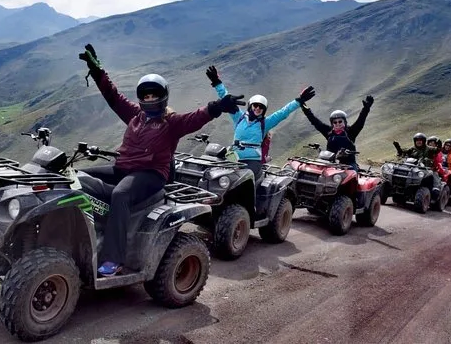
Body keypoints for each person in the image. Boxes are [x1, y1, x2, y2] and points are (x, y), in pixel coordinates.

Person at [79, 45, 244, 277]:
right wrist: (98, 72)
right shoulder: (134, 115)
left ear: (162, 97)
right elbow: (113, 96)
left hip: (151, 174)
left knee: (120, 194)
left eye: (153, 95)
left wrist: (218, 106)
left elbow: (195, 118)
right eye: (146, 96)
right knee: (77, 177)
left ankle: (113, 259)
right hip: (123, 168)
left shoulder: (171, 122)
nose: (149, 99)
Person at [204, 65, 316, 178]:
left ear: (264, 109)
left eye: (261, 107)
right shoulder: (239, 117)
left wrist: (299, 100)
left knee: (245, 178)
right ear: (250, 106)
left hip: (252, 161)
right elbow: (226, 99)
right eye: (255, 105)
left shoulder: (265, 123)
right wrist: (217, 82)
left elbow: (283, 113)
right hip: (233, 156)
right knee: (214, 174)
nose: (258, 108)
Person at [298, 95, 375, 171]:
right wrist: (304, 107)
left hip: (349, 164)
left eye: (340, 121)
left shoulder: (351, 131)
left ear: (344, 122)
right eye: (335, 122)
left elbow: (361, 120)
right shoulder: (328, 132)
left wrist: (366, 108)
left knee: (353, 175)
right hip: (330, 162)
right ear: (332, 124)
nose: (338, 124)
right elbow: (314, 121)